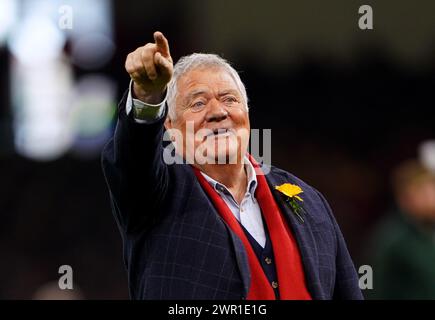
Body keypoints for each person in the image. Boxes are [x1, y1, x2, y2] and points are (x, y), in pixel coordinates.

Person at [101, 31, 362, 300]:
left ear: (246, 114)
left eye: (229, 99)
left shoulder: (308, 200)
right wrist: (148, 96)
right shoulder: (156, 195)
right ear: (170, 126)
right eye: (198, 103)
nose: (217, 112)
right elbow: (132, 159)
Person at [368, 159, 435, 299]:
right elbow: (369, 282)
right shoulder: (391, 237)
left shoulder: (428, 232)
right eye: (423, 191)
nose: (431, 197)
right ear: (405, 197)